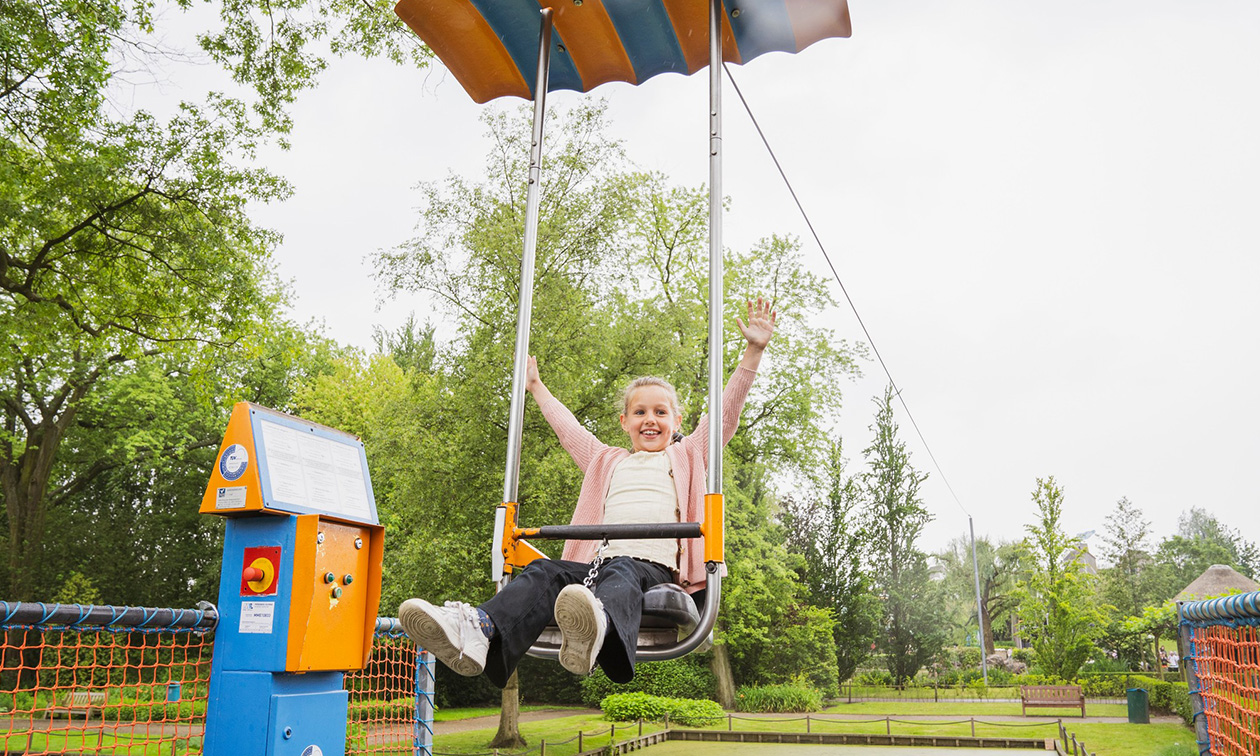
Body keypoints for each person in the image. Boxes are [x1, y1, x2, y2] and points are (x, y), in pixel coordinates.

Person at [398, 298, 776, 686]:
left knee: (623, 569)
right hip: (601, 565)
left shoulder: (688, 455)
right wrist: (535, 387)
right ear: (624, 421)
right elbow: (569, 430)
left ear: (677, 420)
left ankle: (598, 631)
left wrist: (753, 351)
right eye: (640, 412)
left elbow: (726, 415)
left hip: (651, 568)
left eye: (661, 413)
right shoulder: (606, 460)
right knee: (544, 569)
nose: (651, 420)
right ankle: (479, 630)